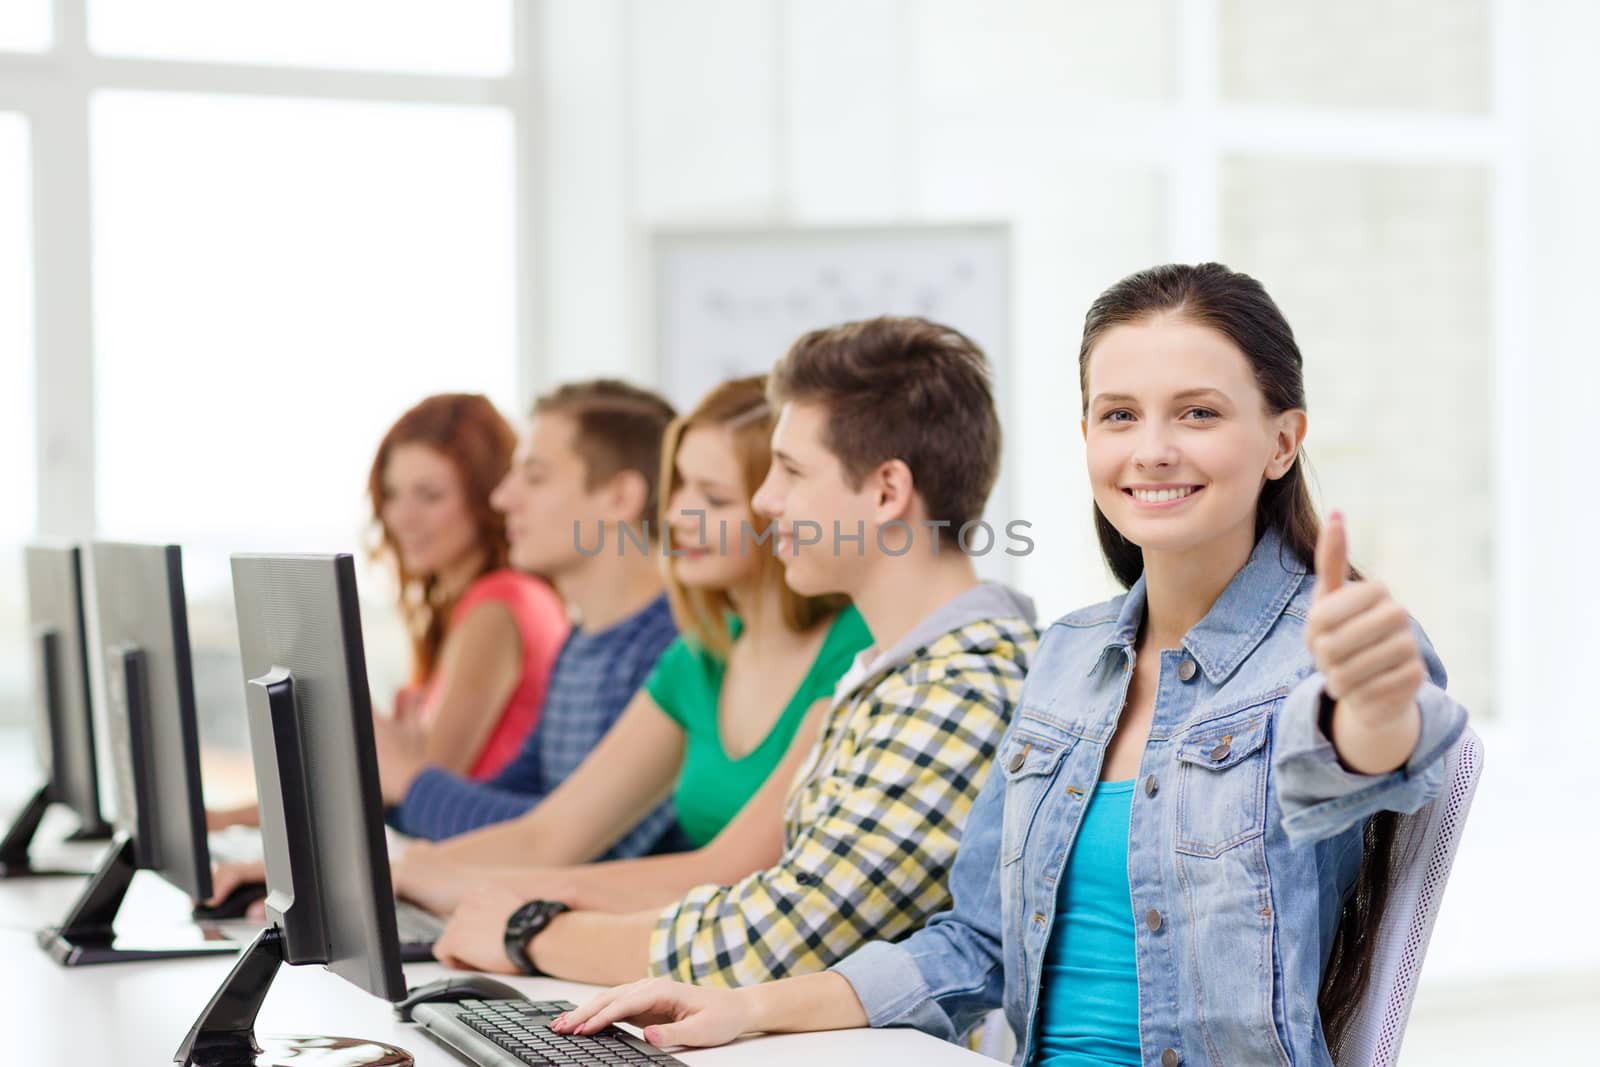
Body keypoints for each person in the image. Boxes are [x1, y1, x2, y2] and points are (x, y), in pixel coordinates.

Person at [549, 263, 1471, 1066]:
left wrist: (1374, 708)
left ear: (1282, 439)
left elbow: (1375, 745)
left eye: (1198, 412)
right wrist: (750, 1006)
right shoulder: (1068, 656)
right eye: (1119, 415)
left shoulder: (1332, 647)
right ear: (1086, 440)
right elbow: (975, 942)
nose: (1152, 447)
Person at [427, 316, 1039, 989]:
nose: (764, 500)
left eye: (792, 472)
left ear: (888, 492)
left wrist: (531, 933)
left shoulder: (961, 686)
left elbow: (773, 935)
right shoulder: (889, 675)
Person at [203, 380, 684, 913]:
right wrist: (349, 862)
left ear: (620, 497)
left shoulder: (673, 651)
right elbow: (530, 818)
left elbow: (571, 845)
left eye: (536, 477)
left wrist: (401, 780)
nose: (504, 498)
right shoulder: (584, 642)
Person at [391, 375, 873, 900]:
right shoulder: (698, 654)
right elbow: (549, 832)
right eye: (679, 488)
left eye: (712, 499)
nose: (674, 517)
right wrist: (404, 872)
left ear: (776, 506)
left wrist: (468, 885)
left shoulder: (854, 649)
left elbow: (724, 869)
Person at [206, 392, 568, 831]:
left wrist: (226, 820)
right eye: (393, 494)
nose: (402, 518)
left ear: (487, 498)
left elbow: (412, 789)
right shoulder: (490, 603)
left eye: (430, 496)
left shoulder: (498, 606)